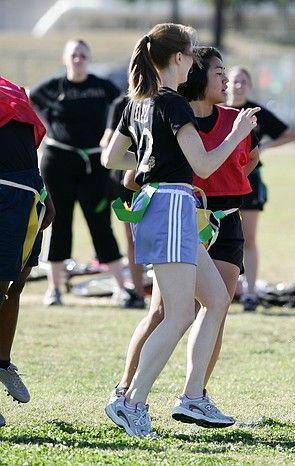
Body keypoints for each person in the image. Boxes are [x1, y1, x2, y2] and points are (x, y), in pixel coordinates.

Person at [101, 23, 259, 438]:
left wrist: (150, 160)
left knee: (217, 299)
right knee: (178, 314)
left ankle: (192, 396)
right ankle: (131, 402)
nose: (194, 62)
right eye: (191, 55)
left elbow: (111, 159)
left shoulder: (136, 102)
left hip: (167, 205)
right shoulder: (172, 103)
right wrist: (238, 134)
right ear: (178, 59)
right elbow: (204, 165)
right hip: (171, 205)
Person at [29, 39, 127, 307]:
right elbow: (28, 100)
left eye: (83, 54)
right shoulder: (54, 86)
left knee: (100, 224)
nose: (78, 59)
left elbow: (124, 106)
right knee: (58, 223)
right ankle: (54, 289)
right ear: (65, 58)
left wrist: (112, 137)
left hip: (95, 164)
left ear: (90, 58)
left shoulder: (101, 86)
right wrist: (44, 127)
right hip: (58, 162)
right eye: (73, 54)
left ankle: (122, 287)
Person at [0, 75, 55, 428]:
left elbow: (27, 148)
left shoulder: (14, 88)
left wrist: (44, 194)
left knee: (17, 286)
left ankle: (3, 362)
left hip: (29, 194)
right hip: (3, 196)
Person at [226, 66, 295, 312]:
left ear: (250, 86)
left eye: (244, 81)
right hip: (221, 182)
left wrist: (263, 146)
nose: (238, 86)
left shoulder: (255, 112)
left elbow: (289, 134)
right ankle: (224, 289)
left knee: (249, 238)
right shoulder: (216, 109)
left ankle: (250, 292)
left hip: (250, 180)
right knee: (219, 236)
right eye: (235, 81)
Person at [100, 94, 146, 309]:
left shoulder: (165, 100)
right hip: (126, 180)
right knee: (133, 238)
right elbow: (107, 142)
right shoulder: (121, 103)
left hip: (156, 177)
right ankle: (138, 292)